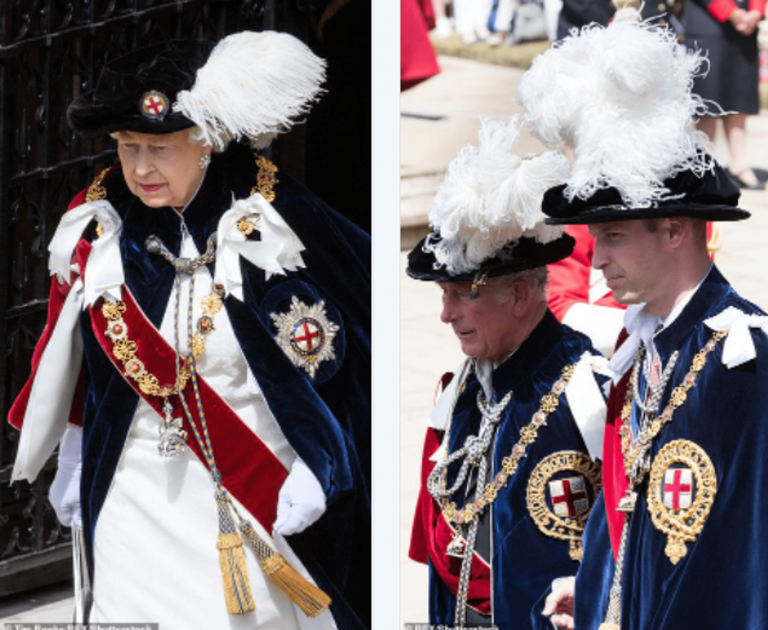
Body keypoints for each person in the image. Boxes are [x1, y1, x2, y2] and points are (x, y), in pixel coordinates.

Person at [8, 32, 371, 629]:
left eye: (159, 147)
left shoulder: (272, 217)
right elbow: (81, 359)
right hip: (133, 488)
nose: (140, 168)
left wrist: (321, 463)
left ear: (205, 141)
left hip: (250, 485)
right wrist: (73, 449)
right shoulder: (100, 222)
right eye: (127, 147)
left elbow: (337, 364)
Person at [519, 9, 768, 629]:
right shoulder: (642, 349)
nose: (597, 259)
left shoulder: (746, 355)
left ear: (677, 230)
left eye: (615, 236)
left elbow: (745, 558)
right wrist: (599, 586)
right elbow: (633, 507)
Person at [407, 118, 608, 629]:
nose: (446, 315)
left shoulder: (591, 389)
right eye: (443, 296)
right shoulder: (457, 391)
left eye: (459, 296)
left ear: (518, 296)